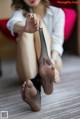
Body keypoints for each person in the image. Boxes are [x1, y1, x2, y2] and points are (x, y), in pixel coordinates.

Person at [7, 0, 65, 112]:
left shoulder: (57, 13)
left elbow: (57, 44)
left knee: (39, 24)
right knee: (27, 31)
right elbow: (11, 23)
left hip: (53, 61)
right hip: (28, 67)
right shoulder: (20, 12)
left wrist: (51, 62)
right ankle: (37, 82)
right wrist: (24, 28)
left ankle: (37, 87)